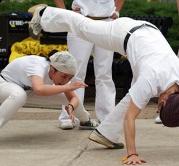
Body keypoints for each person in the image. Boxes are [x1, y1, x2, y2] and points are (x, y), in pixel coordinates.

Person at [28, 6, 179, 164]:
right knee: (84, 28)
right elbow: (130, 117)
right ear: (163, 99)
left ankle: (106, 134)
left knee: (134, 96)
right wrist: (132, 154)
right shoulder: (150, 79)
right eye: (159, 109)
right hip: (125, 33)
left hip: (147, 41)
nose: (156, 110)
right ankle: (44, 14)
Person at [0, 51, 98, 147]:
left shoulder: (61, 73)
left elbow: (73, 98)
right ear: (52, 69)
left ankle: (85, 121)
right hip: (2, 86)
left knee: (62, 96)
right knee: (19, 95)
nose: (66, 80)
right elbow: (39, 90)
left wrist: (71, 106)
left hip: (28, 90)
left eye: (69, 78)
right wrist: (67, 87)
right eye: (64, 76)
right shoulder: (37, 66)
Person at [53, 0, 125, 130]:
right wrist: (64, 12)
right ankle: (68, 116)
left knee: (105, 74)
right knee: (74, 72)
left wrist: (117, 10)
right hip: (80, 21)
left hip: (106, 23)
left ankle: (107, 117)